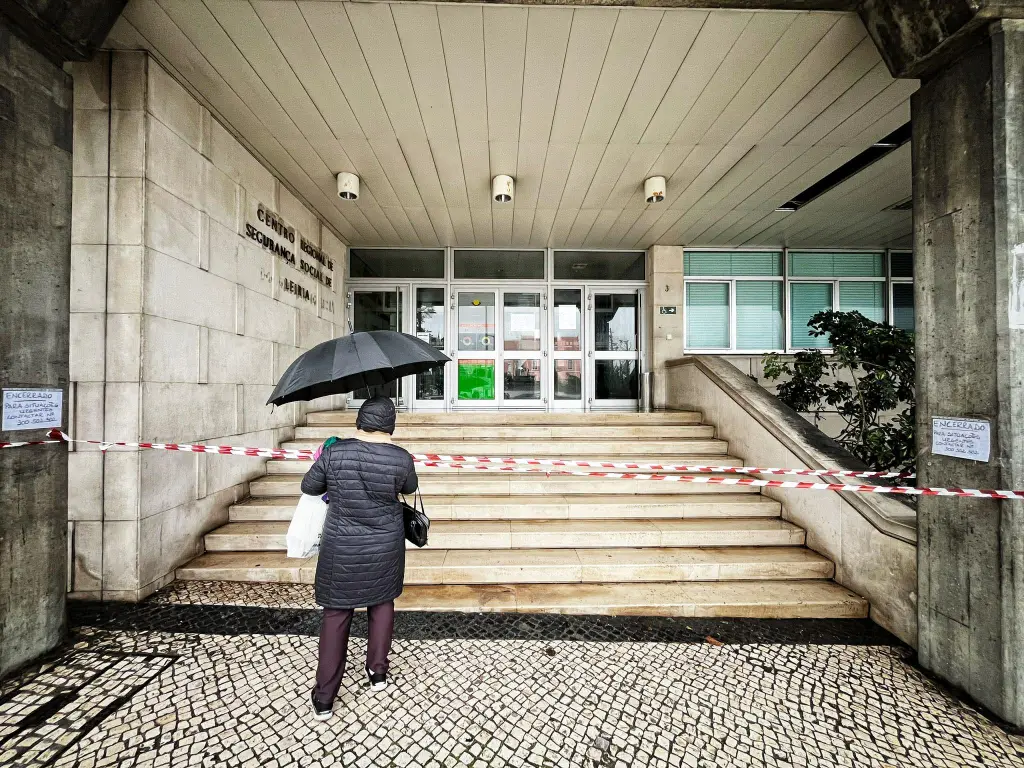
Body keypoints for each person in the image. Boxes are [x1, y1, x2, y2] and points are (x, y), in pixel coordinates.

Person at [300, 395, 418, 720]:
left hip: (342, 546)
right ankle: (378, 672)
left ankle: (325, 697)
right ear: (391, 424)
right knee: (382, 604)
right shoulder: (401, 457)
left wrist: (327, 457)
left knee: (337, 613)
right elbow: (409, 488)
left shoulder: (335, 452)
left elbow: (310, 487)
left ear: (359, 421)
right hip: (384, 544)